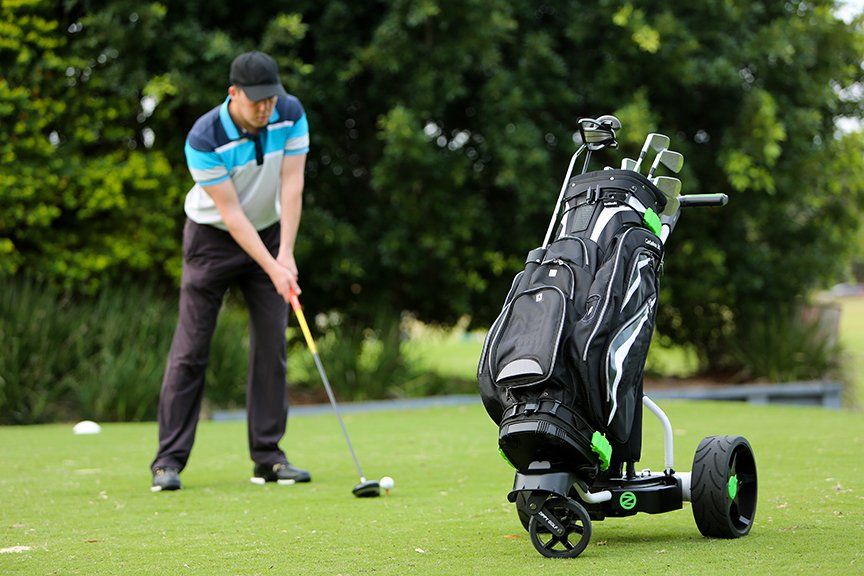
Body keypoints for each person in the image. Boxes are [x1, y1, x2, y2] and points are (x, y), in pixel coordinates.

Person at [151, 51, 311, 491]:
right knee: (191, 350)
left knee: (272, 348)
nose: (266, 108)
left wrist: (288, 254)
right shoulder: (203, 138)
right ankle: (168, 462)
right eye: (256, 101)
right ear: (233, 94)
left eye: (271, 99)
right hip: (212, 239)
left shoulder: (290, 114)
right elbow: (232, 215)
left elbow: (291, 184)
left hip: (271, 233)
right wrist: (273, 264)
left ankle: (268, 458)